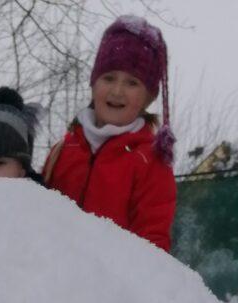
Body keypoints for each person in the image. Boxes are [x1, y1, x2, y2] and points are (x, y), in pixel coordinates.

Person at [43, 15, 176, 251]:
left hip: (111, 284)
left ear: (149, 97)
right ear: (93, 83)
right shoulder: (63, 151)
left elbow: (153, 248)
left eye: (132, 83)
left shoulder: (150, 162)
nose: (117, 91)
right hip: (55, 279)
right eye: (109, 78)